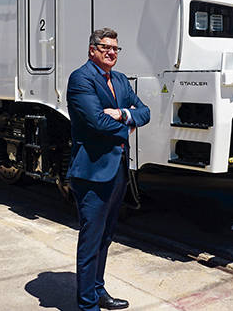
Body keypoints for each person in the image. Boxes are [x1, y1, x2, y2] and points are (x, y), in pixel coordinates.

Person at [66, 28, 150, 311]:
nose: (111, 52)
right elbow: (96, 123)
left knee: (105, 236)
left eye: (115, 48)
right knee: (91, 239)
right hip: (91, 172)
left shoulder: (120, 80)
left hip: (117, 170)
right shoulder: (80, 79)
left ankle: (98, 290)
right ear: (92, 50)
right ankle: (87, 305)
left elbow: (145, 112)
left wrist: (123, 113)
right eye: (105, 47)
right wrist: (127, 123)